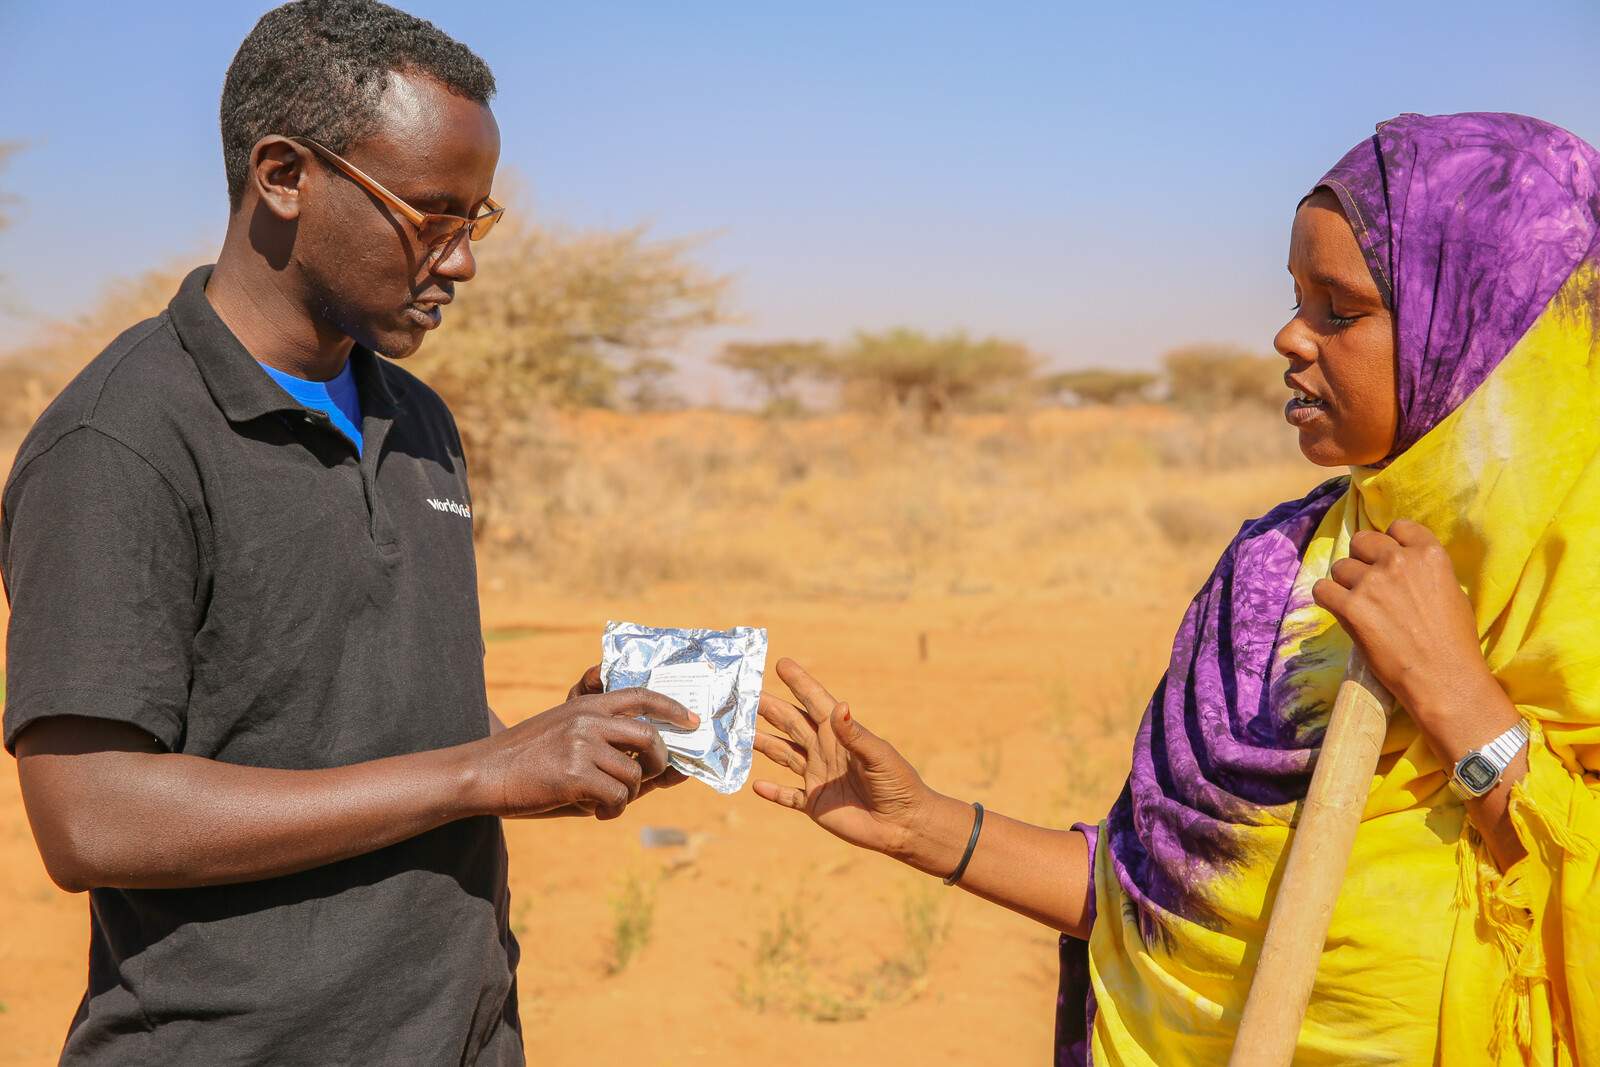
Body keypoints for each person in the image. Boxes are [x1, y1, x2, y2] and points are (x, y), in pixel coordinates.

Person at [753, 112, 1600, 1065]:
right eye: (1295, 299)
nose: (1289, 336)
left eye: (1341, 309)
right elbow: (1144, 895)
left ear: (1486, 335)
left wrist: (1459, 698)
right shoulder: (1274, 573)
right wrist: (922, 826)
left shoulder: (1578, 609)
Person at [1, 2, 694, 1064]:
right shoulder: (121, 440)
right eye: (430, 214)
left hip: (459, 1033)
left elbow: (350, 717)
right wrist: (481, 774)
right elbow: (90, 815)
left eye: (477, 220)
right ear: (283, 175)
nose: (461, 263)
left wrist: (551, 744)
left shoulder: (414, 421)